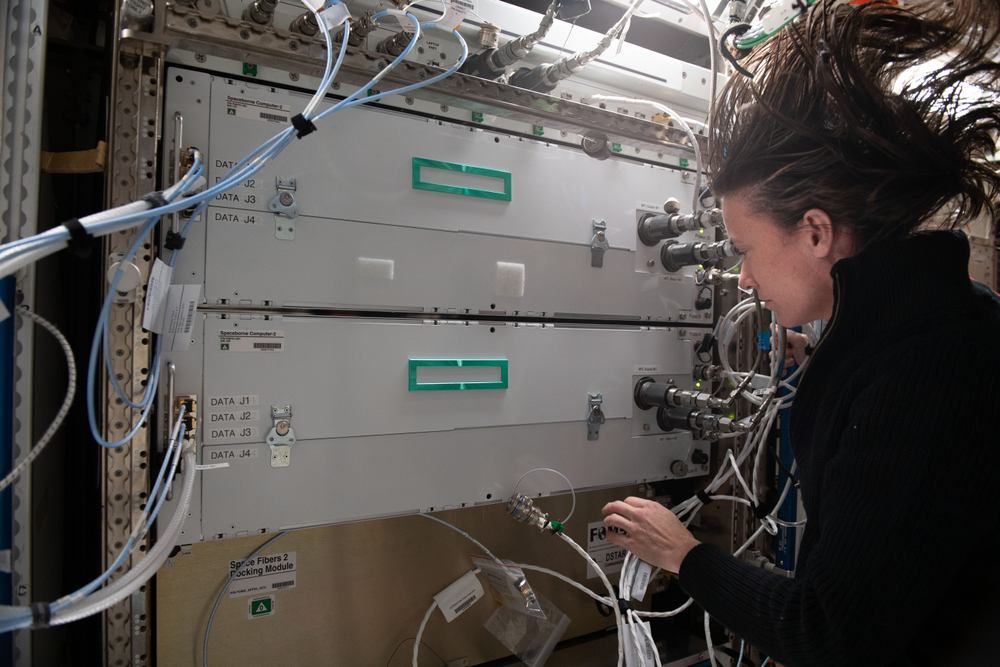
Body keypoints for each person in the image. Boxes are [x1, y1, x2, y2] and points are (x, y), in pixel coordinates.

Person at [602, 1, 1000, 665]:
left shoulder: (925, 375)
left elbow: (830, 633)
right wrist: (823, 355)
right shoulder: (948, 323)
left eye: (747, 250)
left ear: (816, 231)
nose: (748, 281)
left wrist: (686, 555)